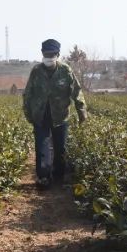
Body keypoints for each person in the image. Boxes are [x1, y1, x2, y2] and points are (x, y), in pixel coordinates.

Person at [22, 38, 87, 187]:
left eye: (52, 54)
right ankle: (43, 177)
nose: (49, 57)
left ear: (57, 54)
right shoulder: (36, 71)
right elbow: (28, 93)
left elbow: (76, 92)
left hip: (60, 115)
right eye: (46, 54)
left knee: (60, 147)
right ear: (42, 54)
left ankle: (58, 175)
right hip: (40, 115)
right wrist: (28, 113)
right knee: (42, 146)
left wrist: (82, 111)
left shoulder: (65, 71)